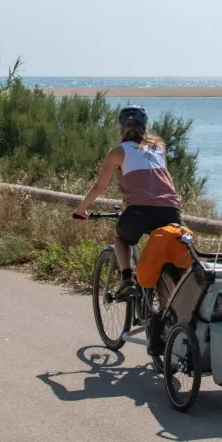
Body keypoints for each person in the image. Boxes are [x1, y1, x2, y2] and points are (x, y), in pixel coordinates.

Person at [73, 105, 181, 300]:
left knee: (122, 238)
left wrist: (81, 209)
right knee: (164, 260)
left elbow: (99, 186)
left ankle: (127, 280)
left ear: (121, 127)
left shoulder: (117, 152)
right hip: (170, 210)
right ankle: (167, 312)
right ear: (145, 126)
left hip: (139, 211)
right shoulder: (159, 146)